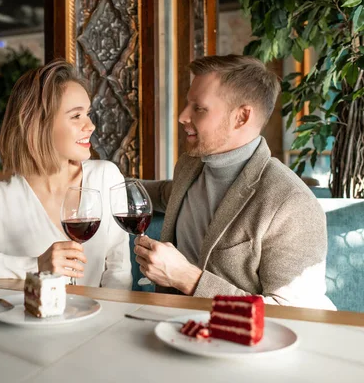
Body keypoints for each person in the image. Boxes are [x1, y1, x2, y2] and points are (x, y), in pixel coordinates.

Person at [137, 55, 335, 310]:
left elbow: (292, 315)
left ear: (242, 117)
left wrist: (188, 279)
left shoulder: (292, 203)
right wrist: (97, 177)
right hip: (172, 328)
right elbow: (166, 193)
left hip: (245, 345)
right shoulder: (191, 165)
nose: (183, 116)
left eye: (198, 108)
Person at [0, 60, 132, 289]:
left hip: (97, 321)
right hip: (30, 323)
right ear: (39, 124)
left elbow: (118, 271)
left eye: (88, 114)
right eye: (76, 116)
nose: (90, 126)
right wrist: (35, 265)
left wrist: (113, 319)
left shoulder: (106, 177)